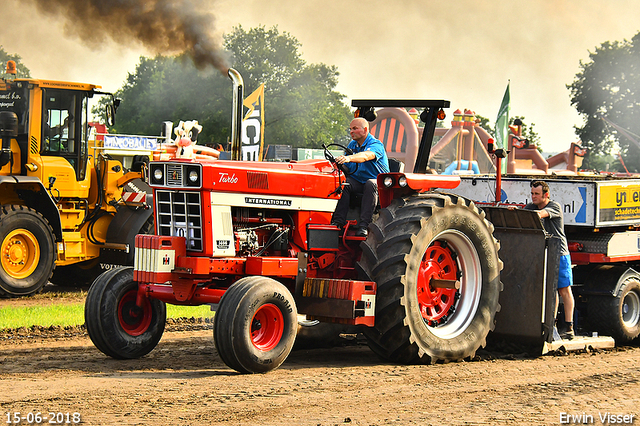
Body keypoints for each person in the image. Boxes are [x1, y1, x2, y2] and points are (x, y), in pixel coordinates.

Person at [525, 180, 576, 340]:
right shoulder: (531, 207)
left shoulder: (554, 207)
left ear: (545, 195)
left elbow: (540, 215)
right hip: (544, 253)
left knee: (564, 290)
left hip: (560, 254)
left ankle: (568, 326)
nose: (533, 197)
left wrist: (522, 213)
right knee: (550, 290)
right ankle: (551, 324)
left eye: (536, 194)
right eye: (532, 193)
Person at [331, 117, 390, 237]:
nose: (351, 131)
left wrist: (348, 158)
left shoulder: (375, 144)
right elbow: (348, 165)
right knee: (344, 183)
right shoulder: (353, 144)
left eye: (355, 128)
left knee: (370, 184)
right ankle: (337, 222)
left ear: (365, 130)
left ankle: (364, 225)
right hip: (359, 182)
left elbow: (365, 156)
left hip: (379, 184)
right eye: (350, 129)